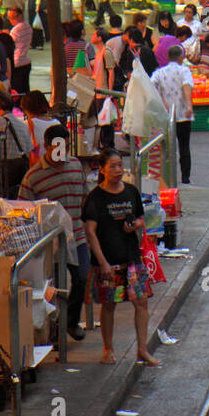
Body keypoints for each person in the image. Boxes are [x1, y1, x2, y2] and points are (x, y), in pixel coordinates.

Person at [83, 148, 157, 366]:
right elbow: (90, 233)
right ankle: (108, 349)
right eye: (113, 166)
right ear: (102, 169)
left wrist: (136, 225)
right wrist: (103, 262)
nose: (118, 170)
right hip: (109, 261)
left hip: (132, 257)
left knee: (141, 302)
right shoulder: (95, 198)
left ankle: (142, 350)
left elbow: (141, 218)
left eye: (120, 166)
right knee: (109, 305)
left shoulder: (131, 191)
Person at [19, 124, 89, 340]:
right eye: (58, 147)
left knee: (82, 277)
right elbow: (24, 211)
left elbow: (84, 196)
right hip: (52, 243)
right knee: (55, 287)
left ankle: (71, 322)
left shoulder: (76, 166)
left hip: (77, 236)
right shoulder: (33, 177)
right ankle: (56, 330)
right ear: (47, 146)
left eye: (65, 147)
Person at [152, 45, 195, 184]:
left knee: (166, 148)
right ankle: (185, 178)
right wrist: (189, 105)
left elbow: (152, 88)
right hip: (183, 114)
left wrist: (162, 102)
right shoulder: (184, 70)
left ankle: (167, 178)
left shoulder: (159, 72)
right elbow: (187, 85)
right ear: (181, 57)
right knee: (184, 147)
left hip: (165, 115)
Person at [8, 7, 33, 94]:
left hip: (16, 62)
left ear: (20, 16)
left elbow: (10, 43)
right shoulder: (28, 27)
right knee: (25, 88)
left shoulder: (15, 30)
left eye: (13, 17)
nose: (11, 20)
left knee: (17, 90)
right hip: (26, 60)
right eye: (9, 18)